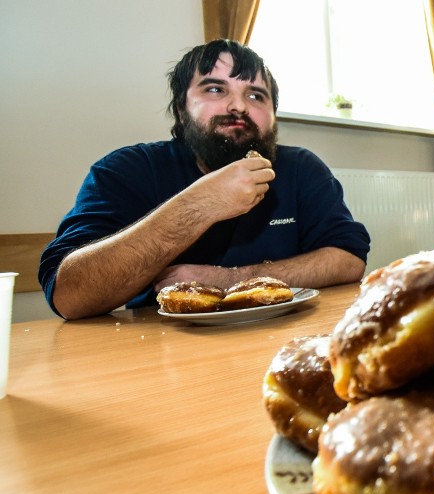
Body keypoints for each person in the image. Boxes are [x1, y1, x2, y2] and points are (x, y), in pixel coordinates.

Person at [38, 40, 370, 320]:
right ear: (181, 110)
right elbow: (68, 296)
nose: (238, 105)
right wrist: (199, 205)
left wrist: (229, 280)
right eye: (215, 89)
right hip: (163, 356)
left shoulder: (301, 168)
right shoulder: (127, 170)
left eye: (256, 95)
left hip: (281, 338)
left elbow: (348, 258)